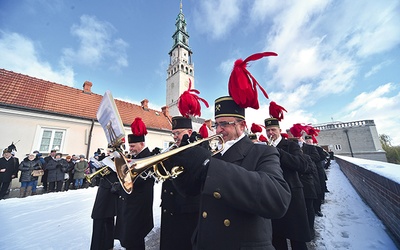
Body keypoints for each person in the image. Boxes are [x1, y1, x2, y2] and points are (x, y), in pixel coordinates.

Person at [171, 96, 291, 249]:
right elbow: (191, 192)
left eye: (224, 124)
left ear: (242, 125)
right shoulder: (214, 154)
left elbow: (278, 198)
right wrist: (178, 169)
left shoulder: (264, 152)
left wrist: (209, 167)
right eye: (216, 124)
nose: (219, 129)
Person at [265, 118, 311, 249]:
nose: (270, 133)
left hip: (292, 194)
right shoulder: (265, 147)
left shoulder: (291, 145)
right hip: (274, 194)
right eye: (268, 130)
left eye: (273, 130)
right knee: (277, 237)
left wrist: (277, 151)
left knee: (297, 237)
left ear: (279, 130)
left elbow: (301, 165)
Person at [159, 116, 201, 250]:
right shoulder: (172, 150)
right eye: (173, 134)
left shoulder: (198, 150)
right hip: (169, 208)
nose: (175, 137)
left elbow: (194, 181)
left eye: (178, 133)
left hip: (186, 213)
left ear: (189, 132)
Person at [116, 117, 155, 250]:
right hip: (131, 205)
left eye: (133, 146)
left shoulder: (148, 157)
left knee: (135, 241)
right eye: (130, 146)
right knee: (130, 240)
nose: (130, 149)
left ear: (142, 144)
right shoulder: (136, 157)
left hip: (138, 208)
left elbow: (144, 181)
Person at [90, 155, 120, 250]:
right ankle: (103, 245)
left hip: (110, 191)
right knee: (100, 218)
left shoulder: (119, 159)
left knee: (106, 219)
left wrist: (113, 169)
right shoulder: (109, 158)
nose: (109, 152)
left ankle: (105, 245)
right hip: (104, 190)